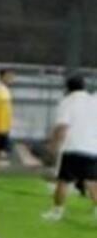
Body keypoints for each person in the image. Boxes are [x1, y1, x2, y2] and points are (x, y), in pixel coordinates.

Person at [42, 74, 97, 221]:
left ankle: (57, 212)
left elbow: (62, 127)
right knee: (92, 181)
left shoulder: (67, 102)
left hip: (73, 146)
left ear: (67, 88)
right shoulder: (93, 100)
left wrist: (53, 146)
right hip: (92, 148)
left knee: (64, 181)